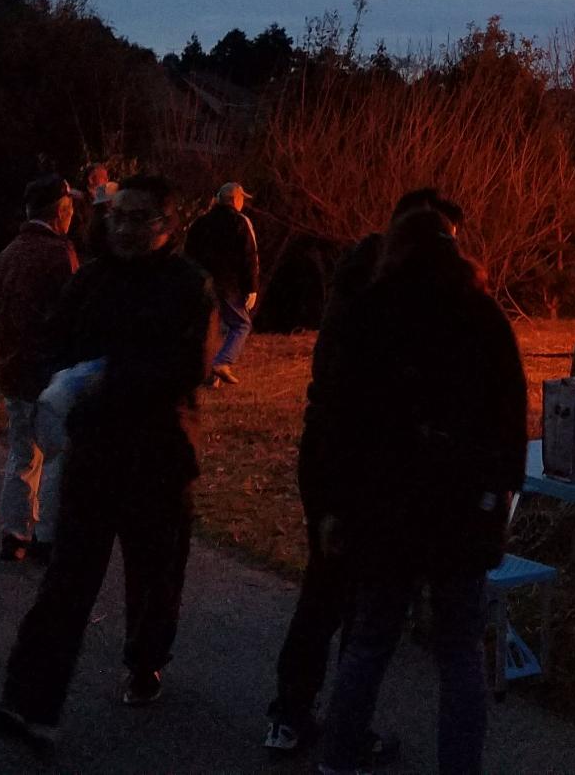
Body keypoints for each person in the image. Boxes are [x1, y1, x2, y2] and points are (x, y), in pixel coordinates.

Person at [0, 173, 215, 754]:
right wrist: (65, 380)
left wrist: (108, 378)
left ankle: (145, 662)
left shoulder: (190, 286)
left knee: (154, 573)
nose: (127, 228)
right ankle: (29, 700)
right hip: (95, 451)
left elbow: (187, 365)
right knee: (67, 578)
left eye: (141, 218)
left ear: (168, 225)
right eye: (119, 216)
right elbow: (55, 339)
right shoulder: (91, 279)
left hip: (160, 454)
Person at [311, 191, 527, 775]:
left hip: (385, 506)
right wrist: (502, 491)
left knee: (372, 638)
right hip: (459, 507)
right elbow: (511, 414)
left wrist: (335, 502)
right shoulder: (481, 315)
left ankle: (338, 756)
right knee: (459, 652)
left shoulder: (371, 311)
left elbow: (341, 415)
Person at [262, 232, 396, 761]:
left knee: (322, 595)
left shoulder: (344, 320)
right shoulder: (368, 333)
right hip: (351, 476)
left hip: (324, 468)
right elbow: (360, 417)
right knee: (350, 602)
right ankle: (343, 730)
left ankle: (291, 715)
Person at [0, 176, 81, 564]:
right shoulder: (60, 254)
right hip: (47, 375)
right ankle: (46, 537)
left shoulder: (10, 252)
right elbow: (71, 316)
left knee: (22, 455)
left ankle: (15, 533)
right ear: (60, 211)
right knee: (57, 455)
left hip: (13, 369)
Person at [183, 181, 259, 387]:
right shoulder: (240, 222)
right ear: (236, 200)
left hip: (202, 283)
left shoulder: (201, 223)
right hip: (227, 285)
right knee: (241, 324)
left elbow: (188, 254)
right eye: (242, 198)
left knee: (211, 328)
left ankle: (210, 377)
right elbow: (249, 256)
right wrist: (251, 288)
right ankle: (222, 363)